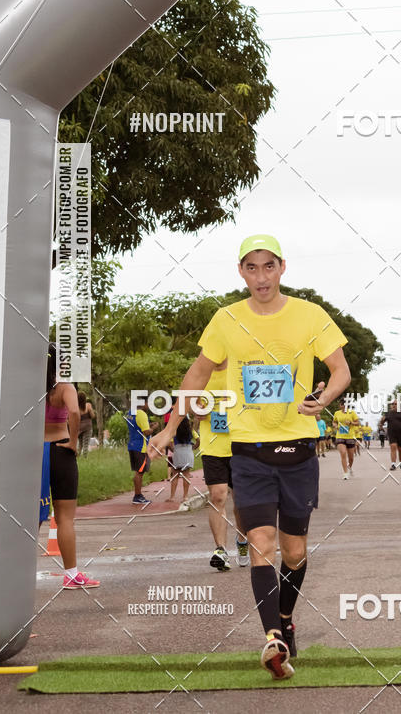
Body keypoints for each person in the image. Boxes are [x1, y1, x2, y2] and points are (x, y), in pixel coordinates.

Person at [149, 234, 350, 680]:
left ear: (282, 267)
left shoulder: (310, 315)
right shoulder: (226, 320)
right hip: (249, 453)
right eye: (252, 267)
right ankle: (272, 638)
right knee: (262, 544)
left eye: (268, 266)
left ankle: (285, 618)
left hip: (297, 451)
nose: (261, 276)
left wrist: (324, 398)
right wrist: (168, 427)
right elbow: (198, 373)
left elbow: (340, 369)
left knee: (294, 554)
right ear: (241, 272)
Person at [43, 344, 100, 589]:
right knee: (65, 517)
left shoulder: (33, 386)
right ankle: (71, 574)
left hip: (36, 453)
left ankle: (14, 576)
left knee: (31, 516)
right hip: (60, 450)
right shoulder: (64, 386)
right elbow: (75, 412)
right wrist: (74, 442)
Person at [193, 360, 249, 571]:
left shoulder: (239, 370)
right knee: (217, 496)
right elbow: (191, 403)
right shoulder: (200, 373)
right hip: (212, 447)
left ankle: (242, 541)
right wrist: (196, 411)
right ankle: (221, 550)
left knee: (241, 502)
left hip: (240, 446)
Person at [126, 398, 154, 504]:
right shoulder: (142, 414)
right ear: (144, 403)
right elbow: (146, 432)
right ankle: (137, 496)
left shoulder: (130, 412)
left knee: (137, 471)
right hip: (141, 447)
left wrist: (148, 426)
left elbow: (137, 427)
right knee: (139, 472)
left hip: (132, 445)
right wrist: (153, 428)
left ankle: (138, 494)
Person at [170, 405, 197, 505]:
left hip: (177, 451)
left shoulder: (174, 429)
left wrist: (172, 449)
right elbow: (198, 440)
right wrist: (194, 447)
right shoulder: (191, 430)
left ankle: (172, 496)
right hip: (188, 451)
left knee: (175, 475)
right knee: (186, 475)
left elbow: (169, 442)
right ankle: (185, 496)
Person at [333, 399, 359, 479]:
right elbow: (334, 421)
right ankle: (345, 473)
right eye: (342, 405)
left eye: (345, 405)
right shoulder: (337, 413)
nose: (343, 406)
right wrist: (335, 425)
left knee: (351, 458)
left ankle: (349, 467)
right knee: (343, 453)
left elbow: (357, 423)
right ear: (340, 405)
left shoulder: (352, 413)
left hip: (350, 437)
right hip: (340, 436)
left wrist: (351, 423)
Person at [383, 401, 401, 470]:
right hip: (391, 433)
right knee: (393, 447)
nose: (394, 405)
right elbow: (383, 420)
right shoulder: (388, 413)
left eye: (395, 404)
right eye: (392, 404)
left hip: (400, 433)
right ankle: (393, 464)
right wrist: (381, 424)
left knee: (400, 449)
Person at [77, 391, 94, 456]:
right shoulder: (88, 405)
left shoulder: (76, 408)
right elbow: (92, 416)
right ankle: (85, 457)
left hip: (79, 428)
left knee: (80, 445)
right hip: (87, 428)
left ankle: (77, 458)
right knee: (85, 444)